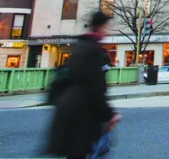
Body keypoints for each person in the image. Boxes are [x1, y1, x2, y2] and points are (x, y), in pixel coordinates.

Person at [47, 11, 122, 159]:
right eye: (107, 26)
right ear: (100, 27)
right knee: (80, 152)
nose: (108, 30)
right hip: (81, 112)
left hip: (70, 108)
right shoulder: (93, 50)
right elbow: (95, 87)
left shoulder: (80, 46)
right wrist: (110, 114)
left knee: (76, 153)